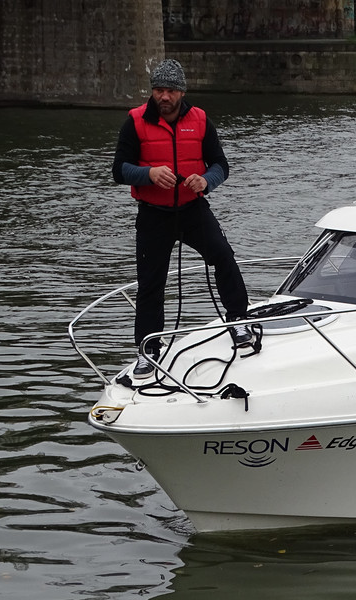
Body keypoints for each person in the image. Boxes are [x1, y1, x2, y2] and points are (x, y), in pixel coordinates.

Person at [111, 59, 253, 379]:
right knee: (151, 284)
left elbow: (220, 165)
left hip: (192, 211)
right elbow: (119, 170)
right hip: (153, 215)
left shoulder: (200, 120)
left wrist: (206, 181)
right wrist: (148, 174)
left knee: (224, 256)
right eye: (159, 90)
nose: (164, 97)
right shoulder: (135, 121)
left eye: (170, 91)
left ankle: (239, 323)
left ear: (182, 92)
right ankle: (149, 350)